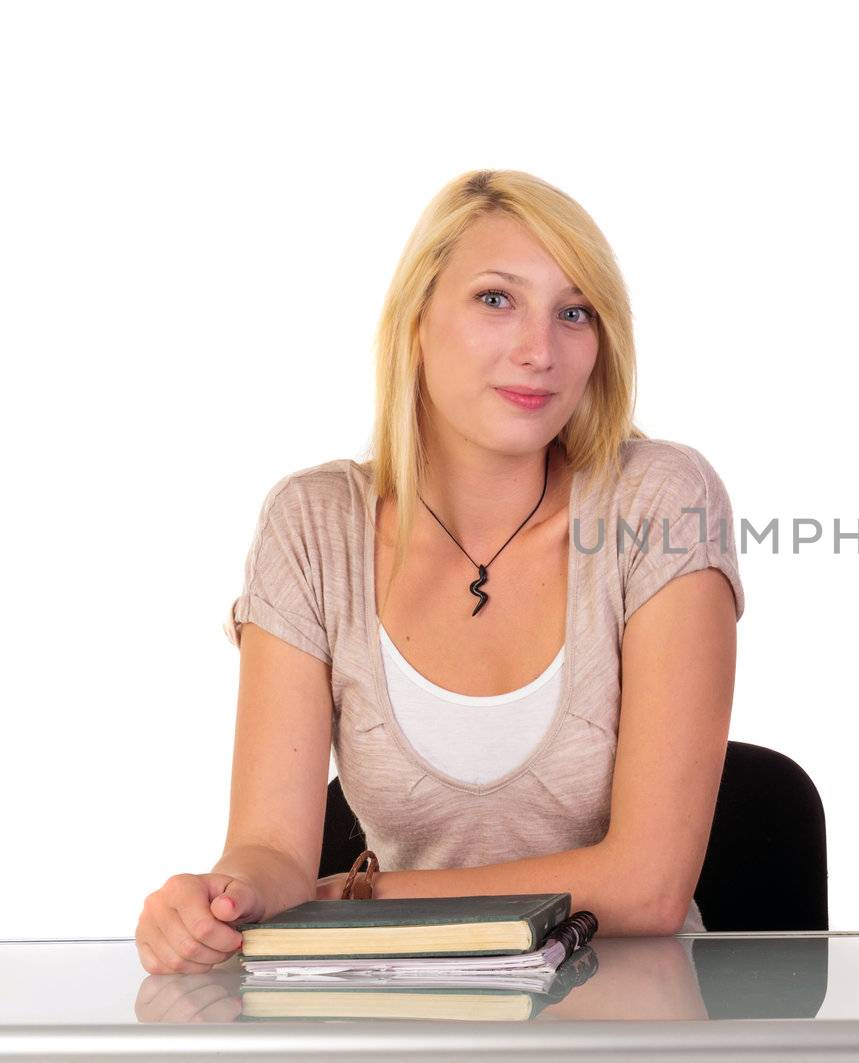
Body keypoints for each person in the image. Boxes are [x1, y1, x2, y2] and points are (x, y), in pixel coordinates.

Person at [136, 170, 743, 975]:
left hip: (631, 1016)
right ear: (416, 320)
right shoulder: (313, 526)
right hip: (403, 1008)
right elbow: (269, 850)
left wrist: (354, 901)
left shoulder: (660, 499)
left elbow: (649, 886)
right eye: (497, 299)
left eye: (574, 312)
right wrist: (221, 897)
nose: (540, 350)